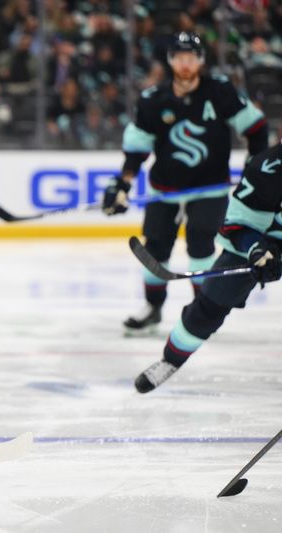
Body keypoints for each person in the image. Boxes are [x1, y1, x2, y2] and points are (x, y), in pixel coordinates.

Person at [102, 32, 268, 334]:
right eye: (180, 58)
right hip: (164, 189)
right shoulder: (153, 100)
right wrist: (122, 184)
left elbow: (256, 127)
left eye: (191, 58)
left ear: (200, 61)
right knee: (155, 249)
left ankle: (199, 311)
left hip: (210, 188)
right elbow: (137, 148)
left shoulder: (220, 91)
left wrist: (253, 167)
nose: (185, 64)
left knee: (201, 241)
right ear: (171, 61)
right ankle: (153, 308)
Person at [134, 142, 282, 392]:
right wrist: (257, 249)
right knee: (209, 306)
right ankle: (170, 360)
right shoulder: (268, 168)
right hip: (270, 241)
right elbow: (240, 225)